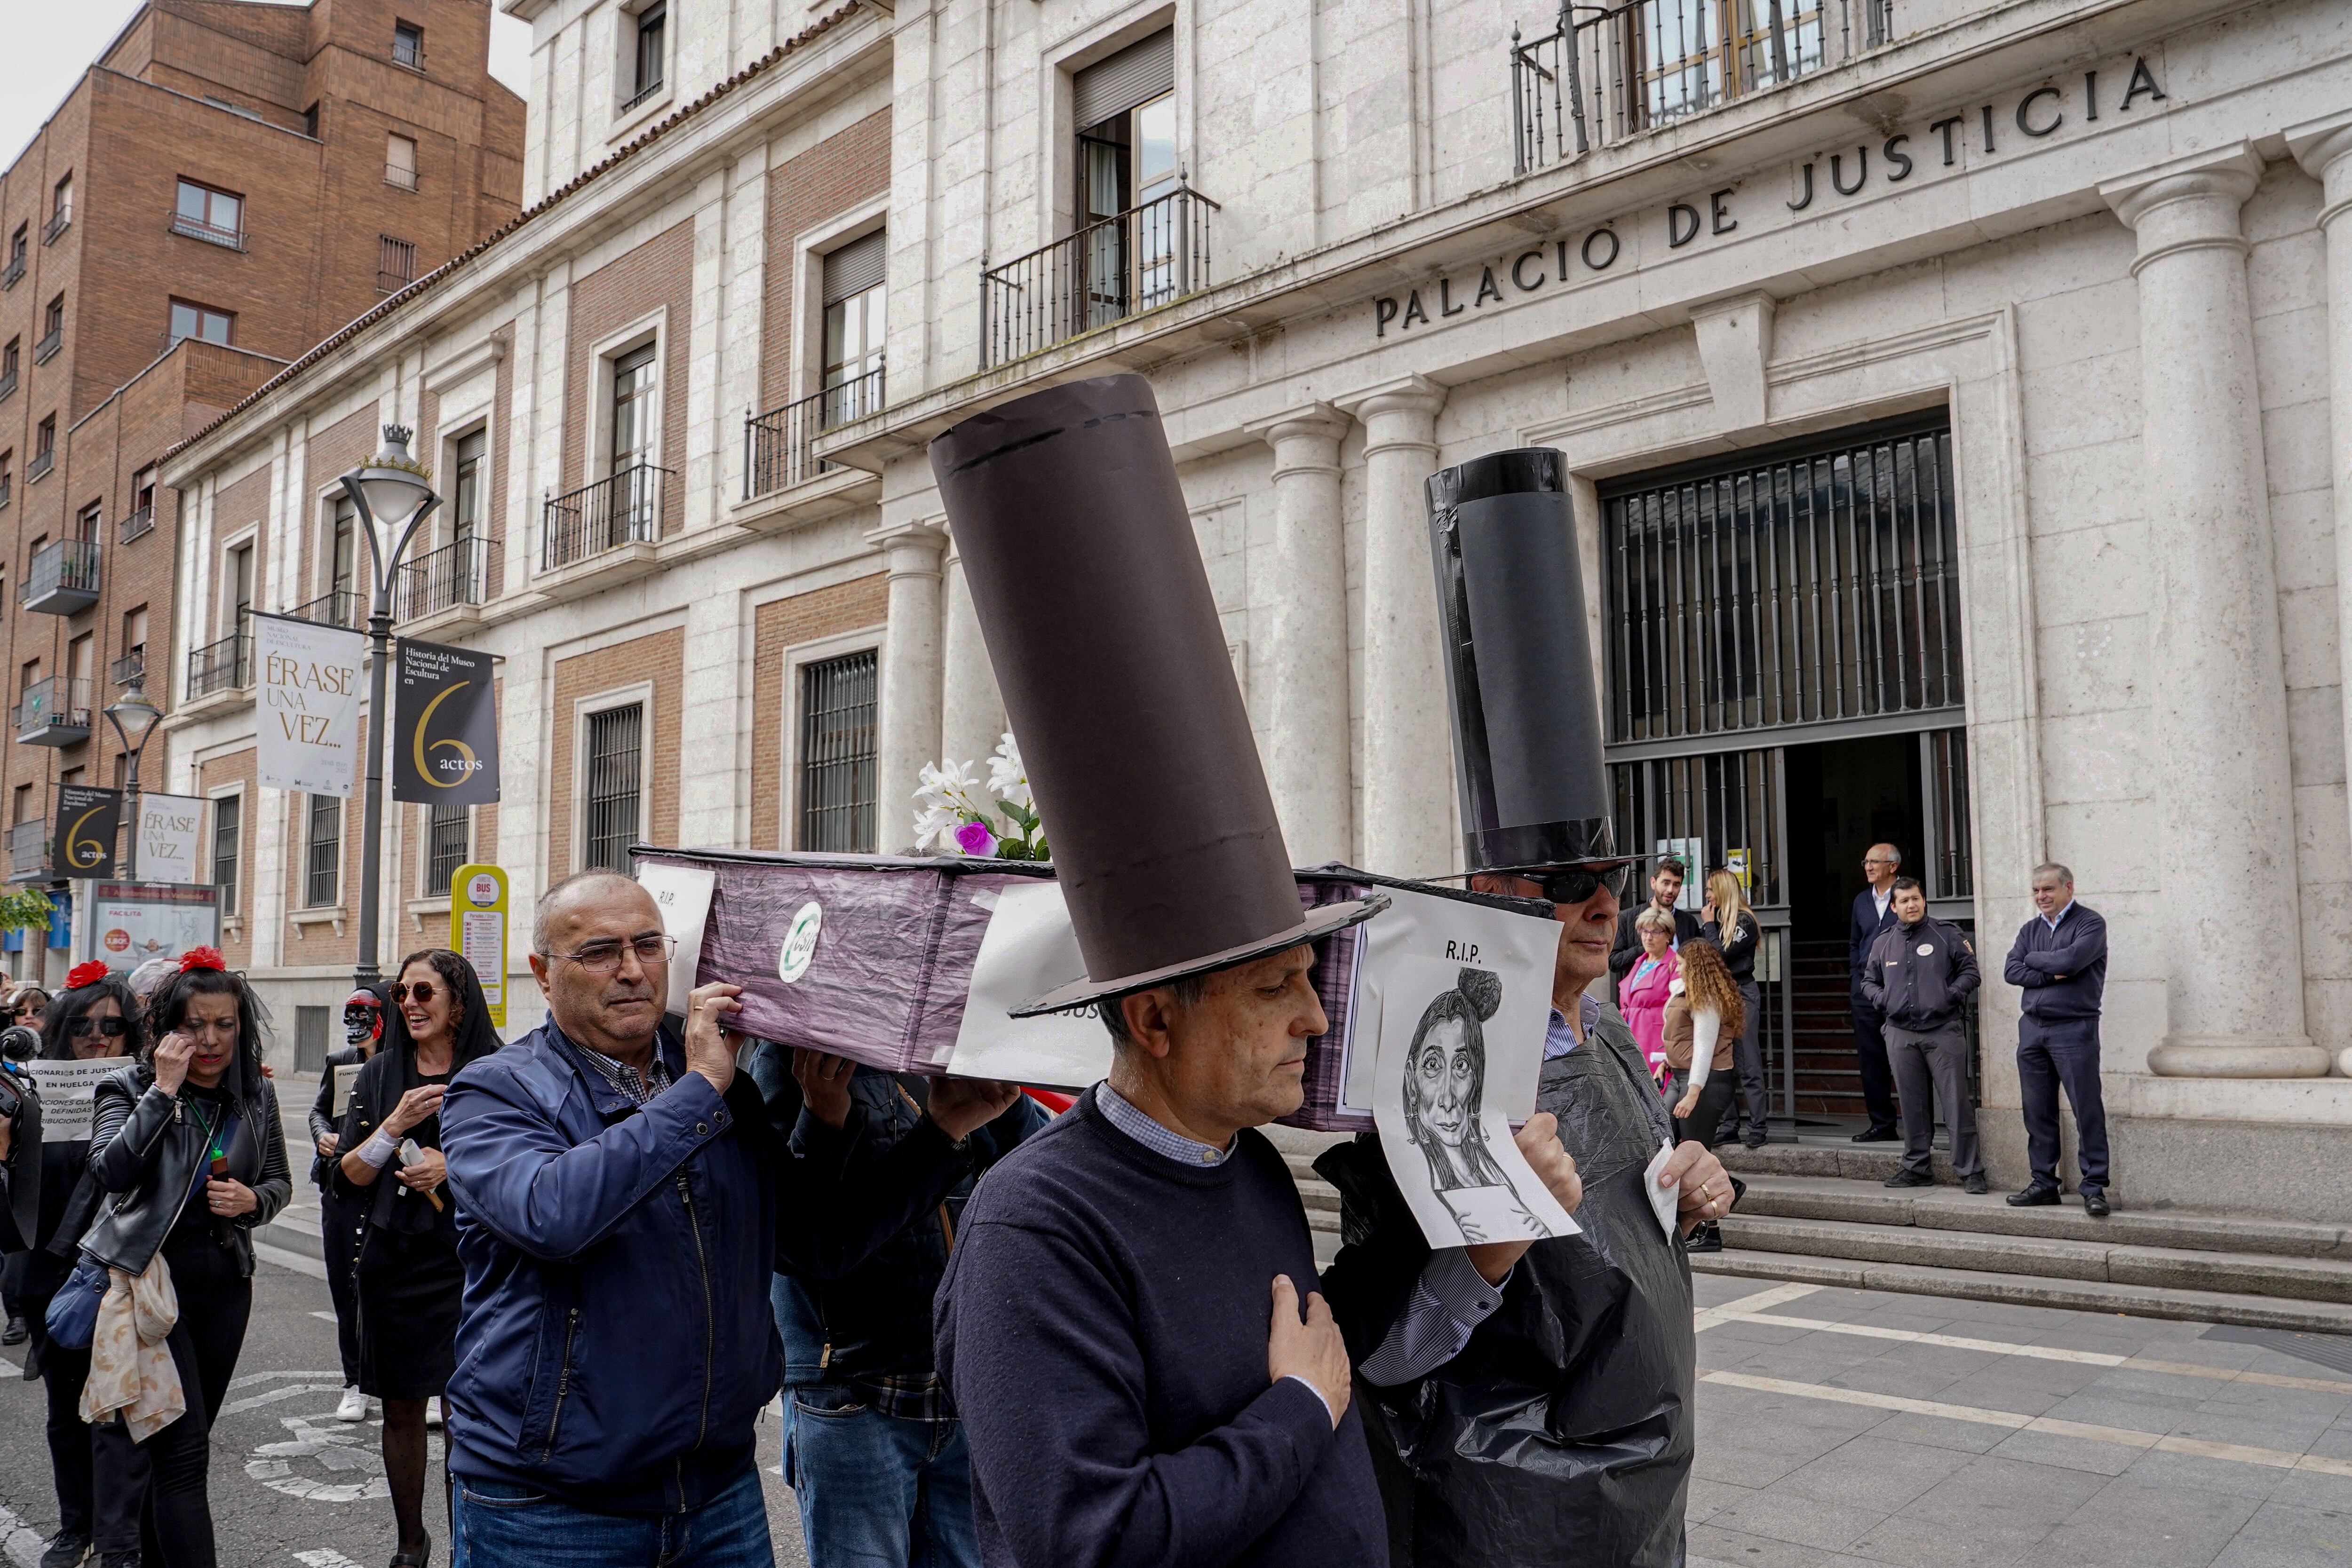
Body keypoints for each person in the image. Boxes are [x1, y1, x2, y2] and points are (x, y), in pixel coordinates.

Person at [439, 870, 1018, 1565]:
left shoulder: (724, 1092)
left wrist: (944, 1129)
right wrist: (699, 1090)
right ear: (543, 973)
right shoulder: (494, 1089)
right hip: (551, 1505)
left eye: (648, 946)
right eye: (599, 952)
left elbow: (820, 1243)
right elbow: (554, 1213)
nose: (631, 970)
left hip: (717, 1496)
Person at [766, 1053, 1046, 1568]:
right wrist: (826, 1118)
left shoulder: (969, 1037)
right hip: (854, 1392)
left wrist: (1005, 1108)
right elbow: (808, 1240)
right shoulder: (793, 1051)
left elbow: (1043, 1176)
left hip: (963, 1383)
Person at [82, 949, 291, 1568]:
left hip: (227, 1285)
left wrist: (253, 1200)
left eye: (224, 1024)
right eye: (195, 1024)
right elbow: (111, 1171)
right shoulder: (125, 1086)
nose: (210, 1039)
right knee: (181, 1456)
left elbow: (280, 1181)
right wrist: (163, 1091)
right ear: (167, 1027)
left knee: (181, 1444)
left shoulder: (255, 1094)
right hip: (152, 1290)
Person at [339, 953, 500, 1568]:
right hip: (395, 1263)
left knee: (467, 1409)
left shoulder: (496, 1069)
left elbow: (534, 1157)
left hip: (472, 1264)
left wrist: (450, 1167)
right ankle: (411, 1542)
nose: (408, 1001)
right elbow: (345, 1176)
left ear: (457, 1001)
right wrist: (394, 1125)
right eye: (401, 990)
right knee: (402, 1406)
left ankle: (469, 1538)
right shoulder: (381, 1074)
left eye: (424, 990)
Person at [8, 965, 144, 1568]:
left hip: (123, 1273)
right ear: (63, 1028)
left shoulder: (150, 1089)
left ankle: (123, 1534)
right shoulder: (31, 1088)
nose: (98, 1035)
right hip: (49, 1268)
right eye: (84, 1024)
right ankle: (75, 1526)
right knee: (67, 1411)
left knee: (122, 1413)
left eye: (112, 1025)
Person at [1862, 879, 1985, 1195]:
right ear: (1894, 908)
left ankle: (1970, 1171)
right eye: (1903, 901)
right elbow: (1868, 982)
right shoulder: (1883, 942)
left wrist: (1950, 995)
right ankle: (1916, 1167)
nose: (1911, 905)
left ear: (1924, 901)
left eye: (1915, 899)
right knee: (1912, 1103)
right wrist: (1883, 1000)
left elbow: (1971, 972)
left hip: (1943, 1031)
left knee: (1956, 1102)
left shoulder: (1946, 934)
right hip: (1900, 1033)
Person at [2003, 863, 2111, 1216]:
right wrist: (2051, 972)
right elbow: (2011, 970)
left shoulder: (2090, 923)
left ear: (2068, 887)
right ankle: (2044, 1184)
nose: (2041, 897)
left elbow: (2073, 959)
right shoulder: (2029, 929)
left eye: (2048, 889)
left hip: (2073, 1027)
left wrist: (2036, 963)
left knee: (2086, 1108)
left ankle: (2094, 1187)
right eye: (2035, 891)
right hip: (2032, 1028)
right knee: (2037, 1111)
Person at [311, 984, 385, 1424]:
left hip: (384, 1187)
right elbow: (320, 1110)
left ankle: (424, 1383)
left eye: (365, 1014)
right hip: (340, 1187)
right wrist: (322, 1133)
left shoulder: (398, 1065)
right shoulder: (340, 1063)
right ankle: (354, 1382)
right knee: (346, 1290)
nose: (356, 1025)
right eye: (351, 1014)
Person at [1700, 869, 1768, 1147]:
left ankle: (1759, 1127)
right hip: (1719, 994)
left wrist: (1708, 925)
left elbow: (1719, 955)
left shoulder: (1745, 920)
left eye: (1710, 890)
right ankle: (1729, 1124)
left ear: (1724, 891)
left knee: (1748, 1061)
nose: (1707, 896)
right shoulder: (1715, 920)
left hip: (1741, 992)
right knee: (1721, 1062)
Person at [1664, 936, 1744, 1157]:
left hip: (1704, 1083)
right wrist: (1666, 1062)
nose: (1678, 969)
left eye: (1682, 965)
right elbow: (1680, 1035)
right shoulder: (1684, 992)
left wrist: (1693, 1093)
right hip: (1680, 1076)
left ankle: (1728, 1188)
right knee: (1662, 1139)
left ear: (1695, 968)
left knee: (1693, 1153)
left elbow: (1703, 1049)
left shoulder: (1707, 1000)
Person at [1847, 843, 1905, 1141]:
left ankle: (1923, 1128)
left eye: (1875, 862)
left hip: (1901, 992)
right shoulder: (1861, 901)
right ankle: (1882, 1124)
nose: (1868, 867)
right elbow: (1855, 943)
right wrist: (1858, 981)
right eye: (1866, 861)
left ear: (1893, 867)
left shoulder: (1906, 896)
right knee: (1872, 1062)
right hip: (1866, 993)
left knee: (1908, 1061)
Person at [1608, 858, 1700, 988]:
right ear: (1653, 883)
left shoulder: (1688, 922)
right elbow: (1614, 962)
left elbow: (1697, 961)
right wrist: (1646, 948)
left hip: (1680, 995)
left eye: (1676, 885)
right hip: (1642, 996)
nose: (1670, 890)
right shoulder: (1627, 918)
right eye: (1666, 883)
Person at [1617, 906, 1680, 1083]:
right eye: (1644, 931)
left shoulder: (1675, 965)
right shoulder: (1640, 962)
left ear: (1668, 935)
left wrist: (1667, 1051)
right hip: (1632, 1038)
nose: (1648, 937)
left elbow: (1679, 1012)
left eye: (1655, 932)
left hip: (1656, 1041)